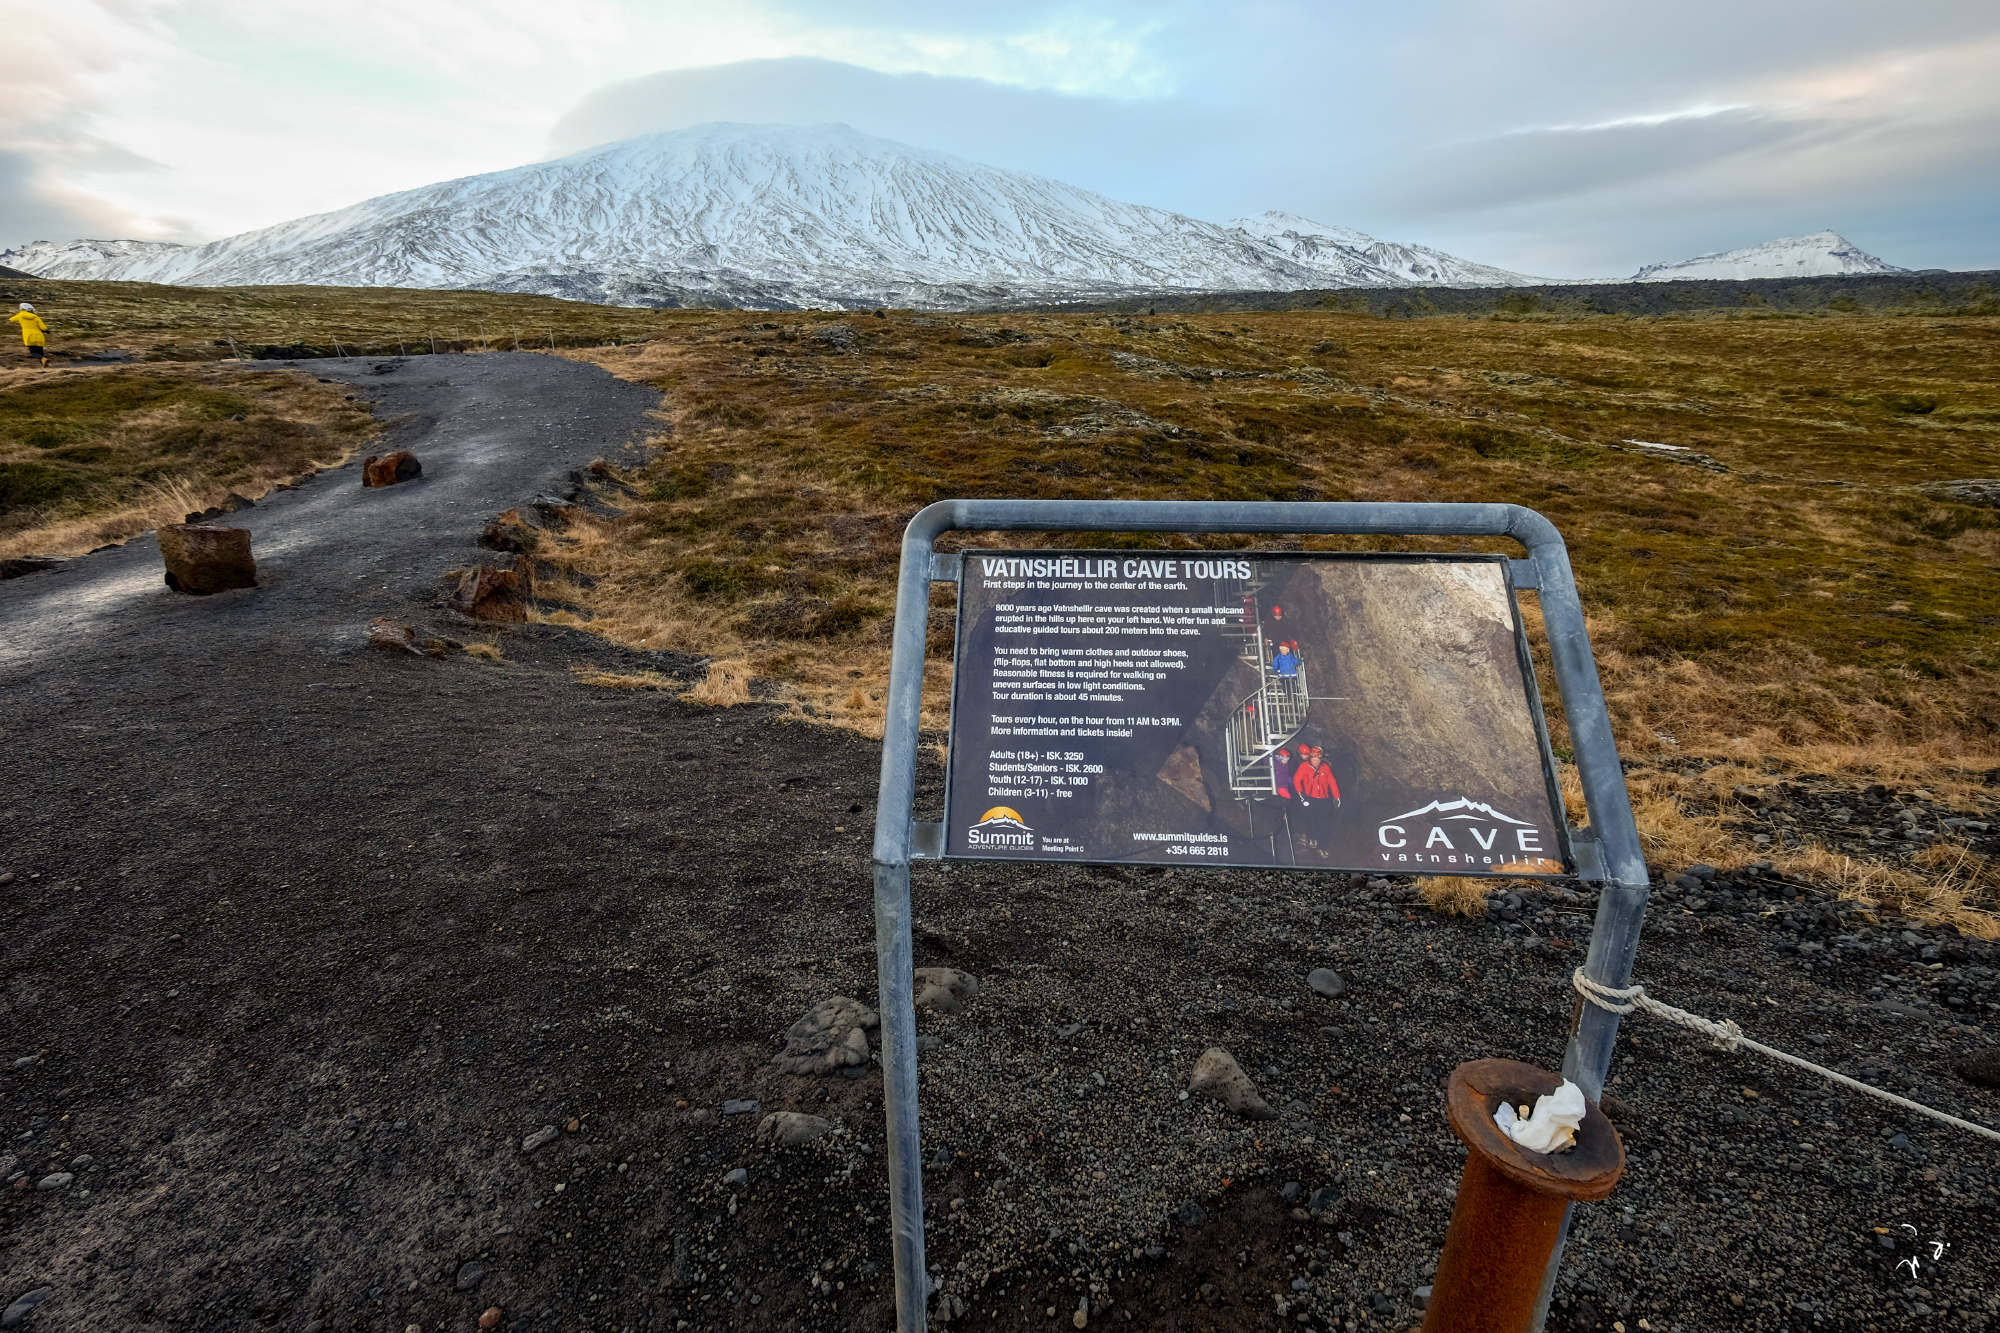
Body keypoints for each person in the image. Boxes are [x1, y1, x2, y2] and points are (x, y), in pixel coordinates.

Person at [10, 302, 48, 368]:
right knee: (40, 352)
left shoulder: (20, 315)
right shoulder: (36, 317)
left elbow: (12, 320)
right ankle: (44, 365)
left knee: (33, 352)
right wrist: (46, 331)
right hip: (39, 336)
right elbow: (43, 328)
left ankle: (43, 360)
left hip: (29, 336)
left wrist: (21, 320)